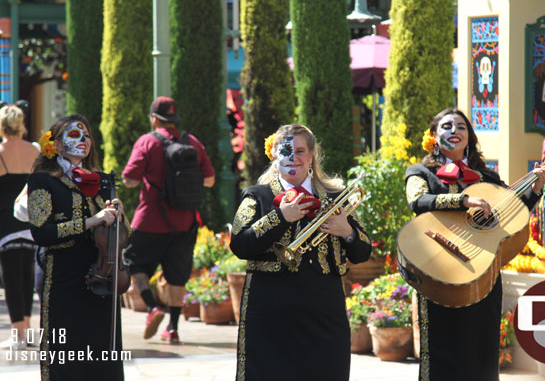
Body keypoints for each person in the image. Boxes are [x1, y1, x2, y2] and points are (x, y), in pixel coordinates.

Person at [403, 108, 545, 381]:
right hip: (439, 273)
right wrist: (463, 201)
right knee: (441, 351)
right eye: (447, 126)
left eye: (461, 127)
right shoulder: (420, 172)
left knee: (481, 355)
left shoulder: (487, 178)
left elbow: (513, 214)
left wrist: (535, 188)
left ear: (469, 137)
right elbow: (417, 201)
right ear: (433, 137)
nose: (455, 131)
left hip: (483, 274)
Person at [230, 124, 372, 381]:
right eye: (285, 150)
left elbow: (362, 252)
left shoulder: (336, 196)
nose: (292, 156)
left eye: (299, 150)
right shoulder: (256, 196)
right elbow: (240, 244)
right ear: (274, 154)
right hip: (270, 310)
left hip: (324, 311)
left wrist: (346, 232)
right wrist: (280, 217)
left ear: (311, 157)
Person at [27, 114, 125, 380]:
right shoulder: (41, 180)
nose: (83, 140)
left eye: (87, 135)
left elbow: (120, 234)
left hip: (101, 276)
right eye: (73, 135)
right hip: (63, 277)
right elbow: (41, 232)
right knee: (66, 352)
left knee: (102, 354)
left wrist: (119, 216)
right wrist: (91, 221)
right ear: (56, 145)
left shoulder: (104, 181)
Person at [122, 96, 215, 344]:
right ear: (174, 118)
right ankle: (173, 328)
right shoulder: (192, 143)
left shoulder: (147, 142)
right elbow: (210, 179)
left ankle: (152, 308)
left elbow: (129, 178)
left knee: (133, 262)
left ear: (154, 118)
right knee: (177, 275)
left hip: (150, 220)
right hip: (185, 221)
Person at [0, 105, 39, 350]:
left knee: (11, 278)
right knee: (27, 276)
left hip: (6, 223)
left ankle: (19, 335)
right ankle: (26, 328)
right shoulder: (34, 151)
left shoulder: (1, 151)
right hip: (31, 220)